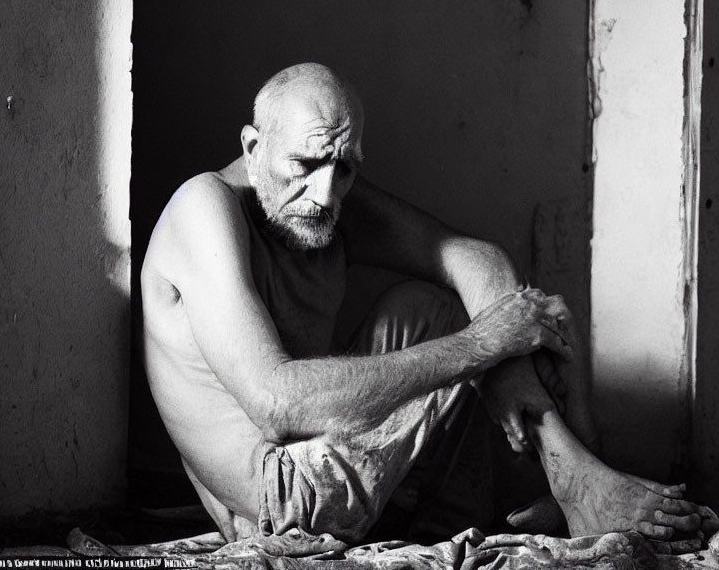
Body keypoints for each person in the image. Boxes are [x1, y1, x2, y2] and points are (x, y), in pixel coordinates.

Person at [141, 63, 709, 546]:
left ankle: (570, 474)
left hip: (330, 455)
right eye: (305, 164)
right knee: (475, 328)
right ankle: (578, 483)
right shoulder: (204, 206)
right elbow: (277, 403)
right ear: (251, 146)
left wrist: (505, 333)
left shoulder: (326, 194)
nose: (325, 192)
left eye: (345, 167)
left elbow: (474, 258)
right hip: (284, 498)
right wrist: (484, 343)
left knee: (475, 311)